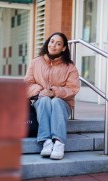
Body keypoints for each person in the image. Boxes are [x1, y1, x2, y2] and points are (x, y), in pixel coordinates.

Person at [24, 32, 80, 160]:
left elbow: (73, 88)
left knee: (55, 102)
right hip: (40, 101)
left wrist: (54, 92)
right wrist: (41, 91)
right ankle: (46, 142)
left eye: (58, 43)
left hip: (62, 103)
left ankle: (59, 143)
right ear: (48, 43)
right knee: (44, 101)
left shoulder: (70, 67)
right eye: (52, 41)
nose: (53, 45)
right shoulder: (36, 62)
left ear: (64, 48)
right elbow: (27, 84)